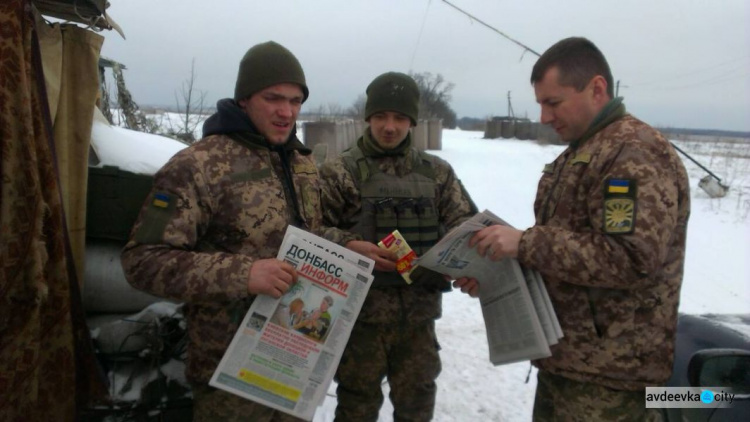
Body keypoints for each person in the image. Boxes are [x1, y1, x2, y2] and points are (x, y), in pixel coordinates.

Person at [455, 37, 690, 421]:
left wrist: (526, 243)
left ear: (596, 89)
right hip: (568, 365)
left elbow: (628, 259)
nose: (545, 118)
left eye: (553, 102)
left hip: (610, 380)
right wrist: (498, 275)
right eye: (540, 105)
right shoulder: (583, 152)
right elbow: (567, 256)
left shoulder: (633, 152)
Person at [121, 41, 327, 422]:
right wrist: (244, 274)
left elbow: (307, 236)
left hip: (293, 356)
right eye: (274, 98)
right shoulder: (197, 165)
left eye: (296, 101)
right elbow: (143, 261)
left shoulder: (302, 163)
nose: (287, 112)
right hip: (228, 372)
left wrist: (351, 247)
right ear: (244, 99)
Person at [320, 72, 478, 422]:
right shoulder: (339, 172)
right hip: (359, 321)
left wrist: (466, 262)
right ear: (368, 118)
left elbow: (466, 227)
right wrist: (349, 245)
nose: (389, 127)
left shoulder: (437, 173)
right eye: (380, 116)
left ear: (412, 121)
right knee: (356, 408)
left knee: (416, 408)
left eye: (399, 118)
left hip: (418, 322)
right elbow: (309, 232)